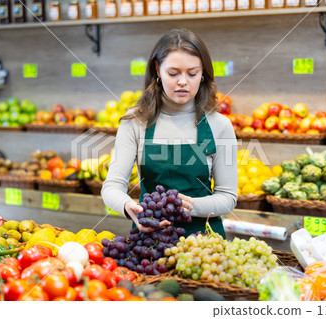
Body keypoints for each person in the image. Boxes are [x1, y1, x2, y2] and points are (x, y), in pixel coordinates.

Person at [101, 28, 237, 238]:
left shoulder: (219, 125)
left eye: (192, 73)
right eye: (173, 73)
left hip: (205, 246)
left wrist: (192, 206)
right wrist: (128, 206)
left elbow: (227, 197)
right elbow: (111, 187)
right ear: (157, 69)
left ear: (203, 74)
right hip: (150, 244)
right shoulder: (136, 122)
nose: (183, 81)